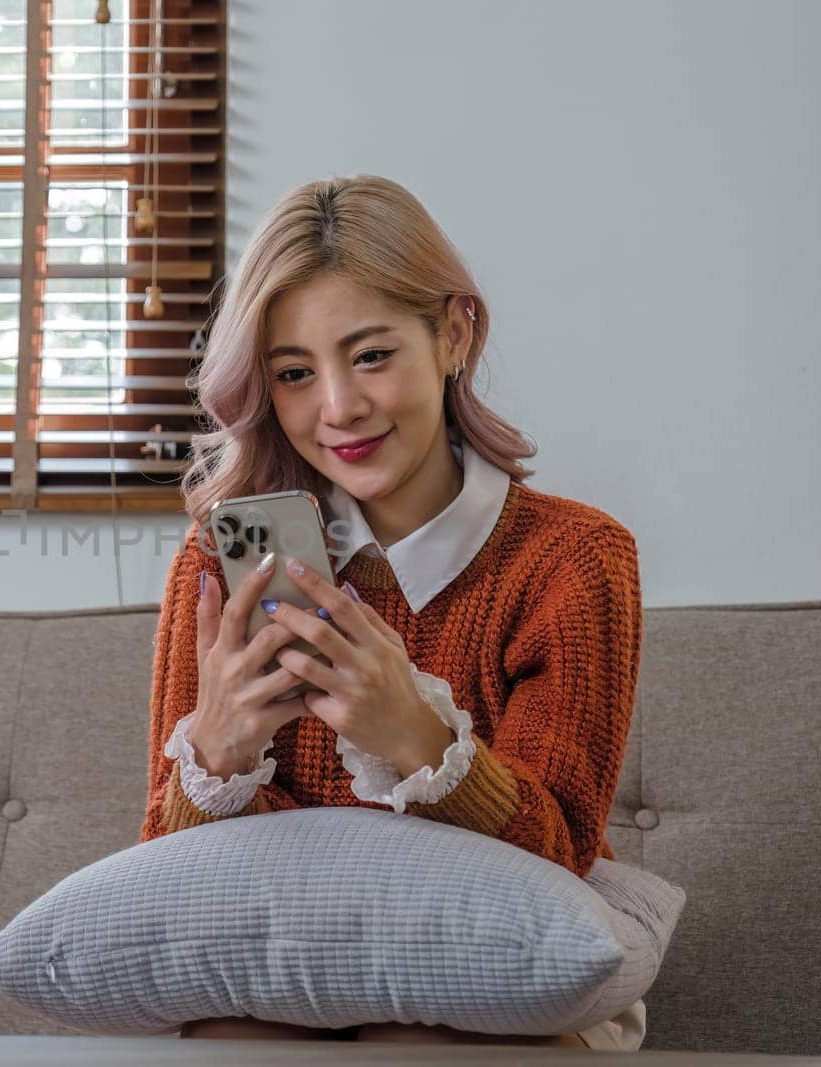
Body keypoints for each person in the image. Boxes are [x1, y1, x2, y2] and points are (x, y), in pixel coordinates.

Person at [139, 174, 646, 1050]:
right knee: (228, 1036)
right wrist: (219, 748)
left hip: (500, 969)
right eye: (293, 373)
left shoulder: (572, 561)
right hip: (286, 965)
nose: (338, 409)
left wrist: (417, 736)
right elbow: (165, 871)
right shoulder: (221, 566)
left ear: (455, 333)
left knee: (419, 1043)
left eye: (371, 354)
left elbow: (559, 854)